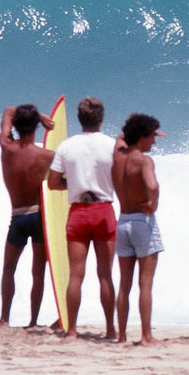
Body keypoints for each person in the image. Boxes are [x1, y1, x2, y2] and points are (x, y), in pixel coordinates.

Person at [46, 97, 117, 339]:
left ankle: (72, 330)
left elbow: (53, 183)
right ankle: (110, 330)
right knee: (105, 274)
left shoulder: (66, 146)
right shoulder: (112, 145)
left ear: (79, 119)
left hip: (78, 211)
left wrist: (75, 183)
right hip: (104, 210)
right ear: (102, 118)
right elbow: (120, 178)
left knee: (76, 274)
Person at [0, 103, 56, 327]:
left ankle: (4, 318)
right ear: (36, 128)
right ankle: (33, 321)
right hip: (40, 217)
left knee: (9, 268)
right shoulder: (48, 156)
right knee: (38, 272)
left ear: (17, 126)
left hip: (18, 217)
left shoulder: (6, 148)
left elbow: (8, 110)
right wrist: (41, 118)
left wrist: (38, 116)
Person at [113, 113, 165, 345]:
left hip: (122, 220)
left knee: (124, 283)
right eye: (152, 136)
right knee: (145, 283)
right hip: (142, 223)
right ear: (142, 136)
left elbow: (119, 137)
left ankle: (122, 335)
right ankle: (146, 336)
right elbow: (152, 185)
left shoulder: (117, 157)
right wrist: (154, 203)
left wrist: (134, 126)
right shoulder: (144, 161)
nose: (154, 141)